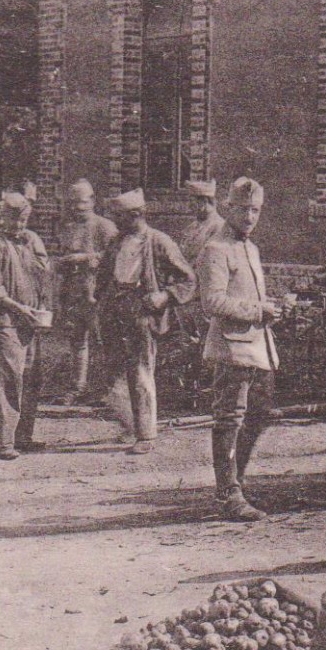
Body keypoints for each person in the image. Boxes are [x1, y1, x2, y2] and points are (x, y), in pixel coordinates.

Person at [198, 177, 283, 522]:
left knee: (259, 415)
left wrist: (269, 307)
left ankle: (238, 482)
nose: (249, 217)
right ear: (228, 208)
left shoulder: (250, 248)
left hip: (259, 347)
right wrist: (258, 310)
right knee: (230, 420)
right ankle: (227, 494)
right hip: (231, 349)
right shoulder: (216, 250)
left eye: (255, 210)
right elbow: (212, 302)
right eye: (243, 209)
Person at [97, 189, 195, 454]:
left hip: (142, 311)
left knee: (141, 371)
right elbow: (104, 275)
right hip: (115, 311)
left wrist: (164, 296)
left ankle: (146, 435)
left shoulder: (159, 242)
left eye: (119, 216)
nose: (114, 221)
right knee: (113, 372)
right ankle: (131, 426)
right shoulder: (117, 241)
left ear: (136, 215)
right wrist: (101, 302)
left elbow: (188, 280)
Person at [0, 192, 50, 459]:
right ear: (1, 217)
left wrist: (41, 307)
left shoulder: (32, 241)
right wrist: (20, 309)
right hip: (6, 321)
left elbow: (43, 276)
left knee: (31, 377)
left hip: (31, 319)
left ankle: (23, 436)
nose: (19, 225)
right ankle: (4, 442)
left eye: (23, 220)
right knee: (9, 378)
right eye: (13, 219)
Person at [55, 178, 118, 405]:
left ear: (92, 201)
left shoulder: (105, 227)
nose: (76, 207)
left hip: (97, 292)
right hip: (73, 291)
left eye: (81, 202)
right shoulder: (68, 227)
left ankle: (109, 389)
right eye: (72, 203)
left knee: (104, 340)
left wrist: (85, 258)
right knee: (77, 341)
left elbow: (116, 258)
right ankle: (78, 387)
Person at [178, 179, 225, 266]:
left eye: (192, 201)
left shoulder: (219, 226)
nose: (189, 206)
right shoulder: (192, 226)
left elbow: (211, 260)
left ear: (204, 201)